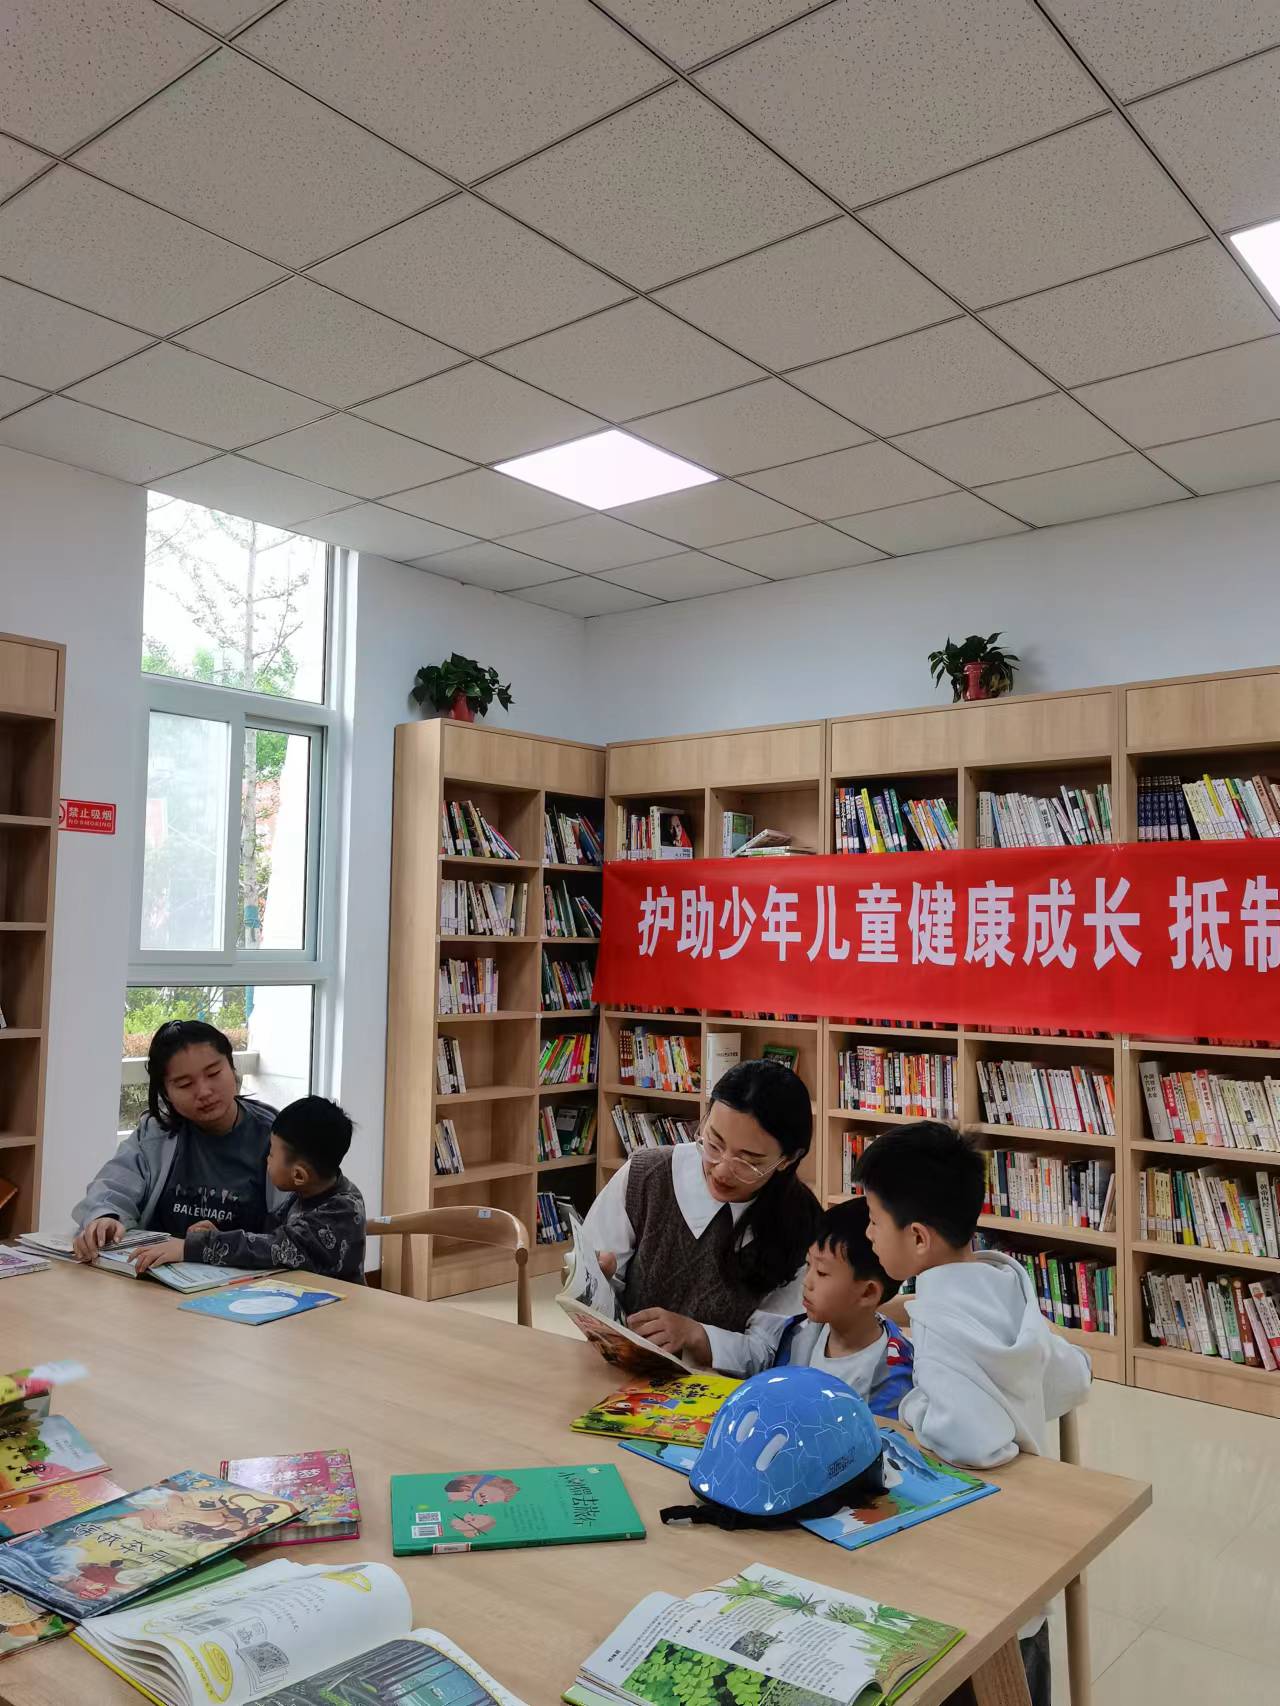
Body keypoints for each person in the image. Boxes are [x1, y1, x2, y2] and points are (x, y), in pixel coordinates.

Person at [855, 1120, 1092, 1706]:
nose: (867, 1233)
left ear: (917, 1238)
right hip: (1025, 1562)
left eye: (874, 1220)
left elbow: (974, 1442)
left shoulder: (938, 1325)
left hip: (975, 1569)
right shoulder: (1004, 1283)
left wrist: (913, 1405)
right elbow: (1073, 1376)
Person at [582, 1058, 820, 1374]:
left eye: (748, 1160)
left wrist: (696, 1335)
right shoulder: (647, 1176)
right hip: (623, 1375)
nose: (721, 1169)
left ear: (788, 1160)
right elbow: (590, 1295)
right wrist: (594, 1279)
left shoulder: (803, 1226)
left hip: (724, 1394)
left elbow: (768, 1352)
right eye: (714, 1143)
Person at [72, 1021, 286, 1262]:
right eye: (185, 1084)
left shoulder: (278, 1137)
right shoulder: (155, 1132)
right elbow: (113, 1186)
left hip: (248, 1278)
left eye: (214, 1073)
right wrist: (106, 1217)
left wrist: (215, 1245)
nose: (204, 1092)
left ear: (232, 1067)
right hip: (153, 1273)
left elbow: (296, 1238)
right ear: (166, 1093)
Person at [133, 1096, 365, 1283]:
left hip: (336, 1315)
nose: (266, 1159)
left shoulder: (342, 1209)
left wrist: (194, 1247)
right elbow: (267, 1236)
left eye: (271, 1153)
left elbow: (274, 1248)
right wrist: (218, 1234)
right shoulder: (307, 1192)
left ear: (298, 1175)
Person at [772, 1196, 914, 1417]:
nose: (807, 1282)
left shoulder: (892, 1376)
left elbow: (886, 1435)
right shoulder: (798, 1333)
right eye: (808, 1264)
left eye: (822, 1272)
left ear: (867, 1293)